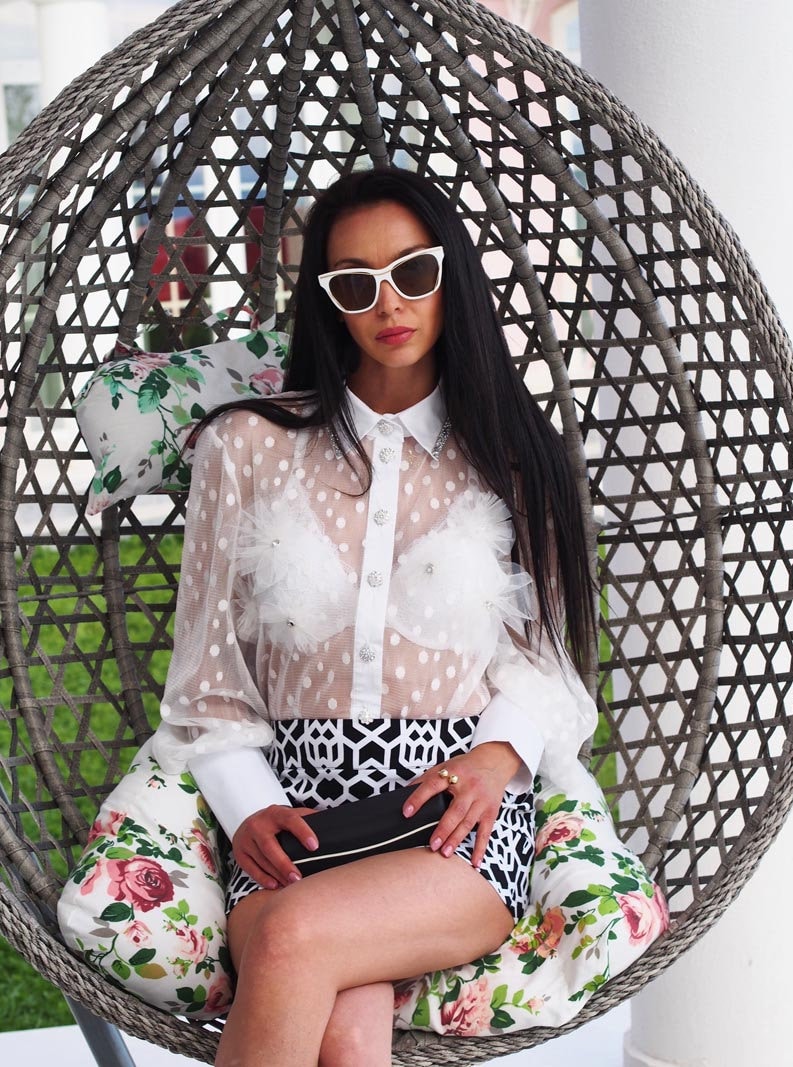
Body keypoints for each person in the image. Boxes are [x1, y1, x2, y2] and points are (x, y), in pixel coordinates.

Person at [152, 166, 599, 1066]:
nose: (388, 303)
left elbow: (548, 662)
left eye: (413, 273)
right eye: (355, 283)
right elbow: (206, 669)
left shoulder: (517, 457)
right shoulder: (245, 445)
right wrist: (246, 803)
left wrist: (494, 760)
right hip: (291, 816)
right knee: (350, 1038)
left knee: (290, 940)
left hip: (452, 822)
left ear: (451, 275)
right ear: (329, 302)